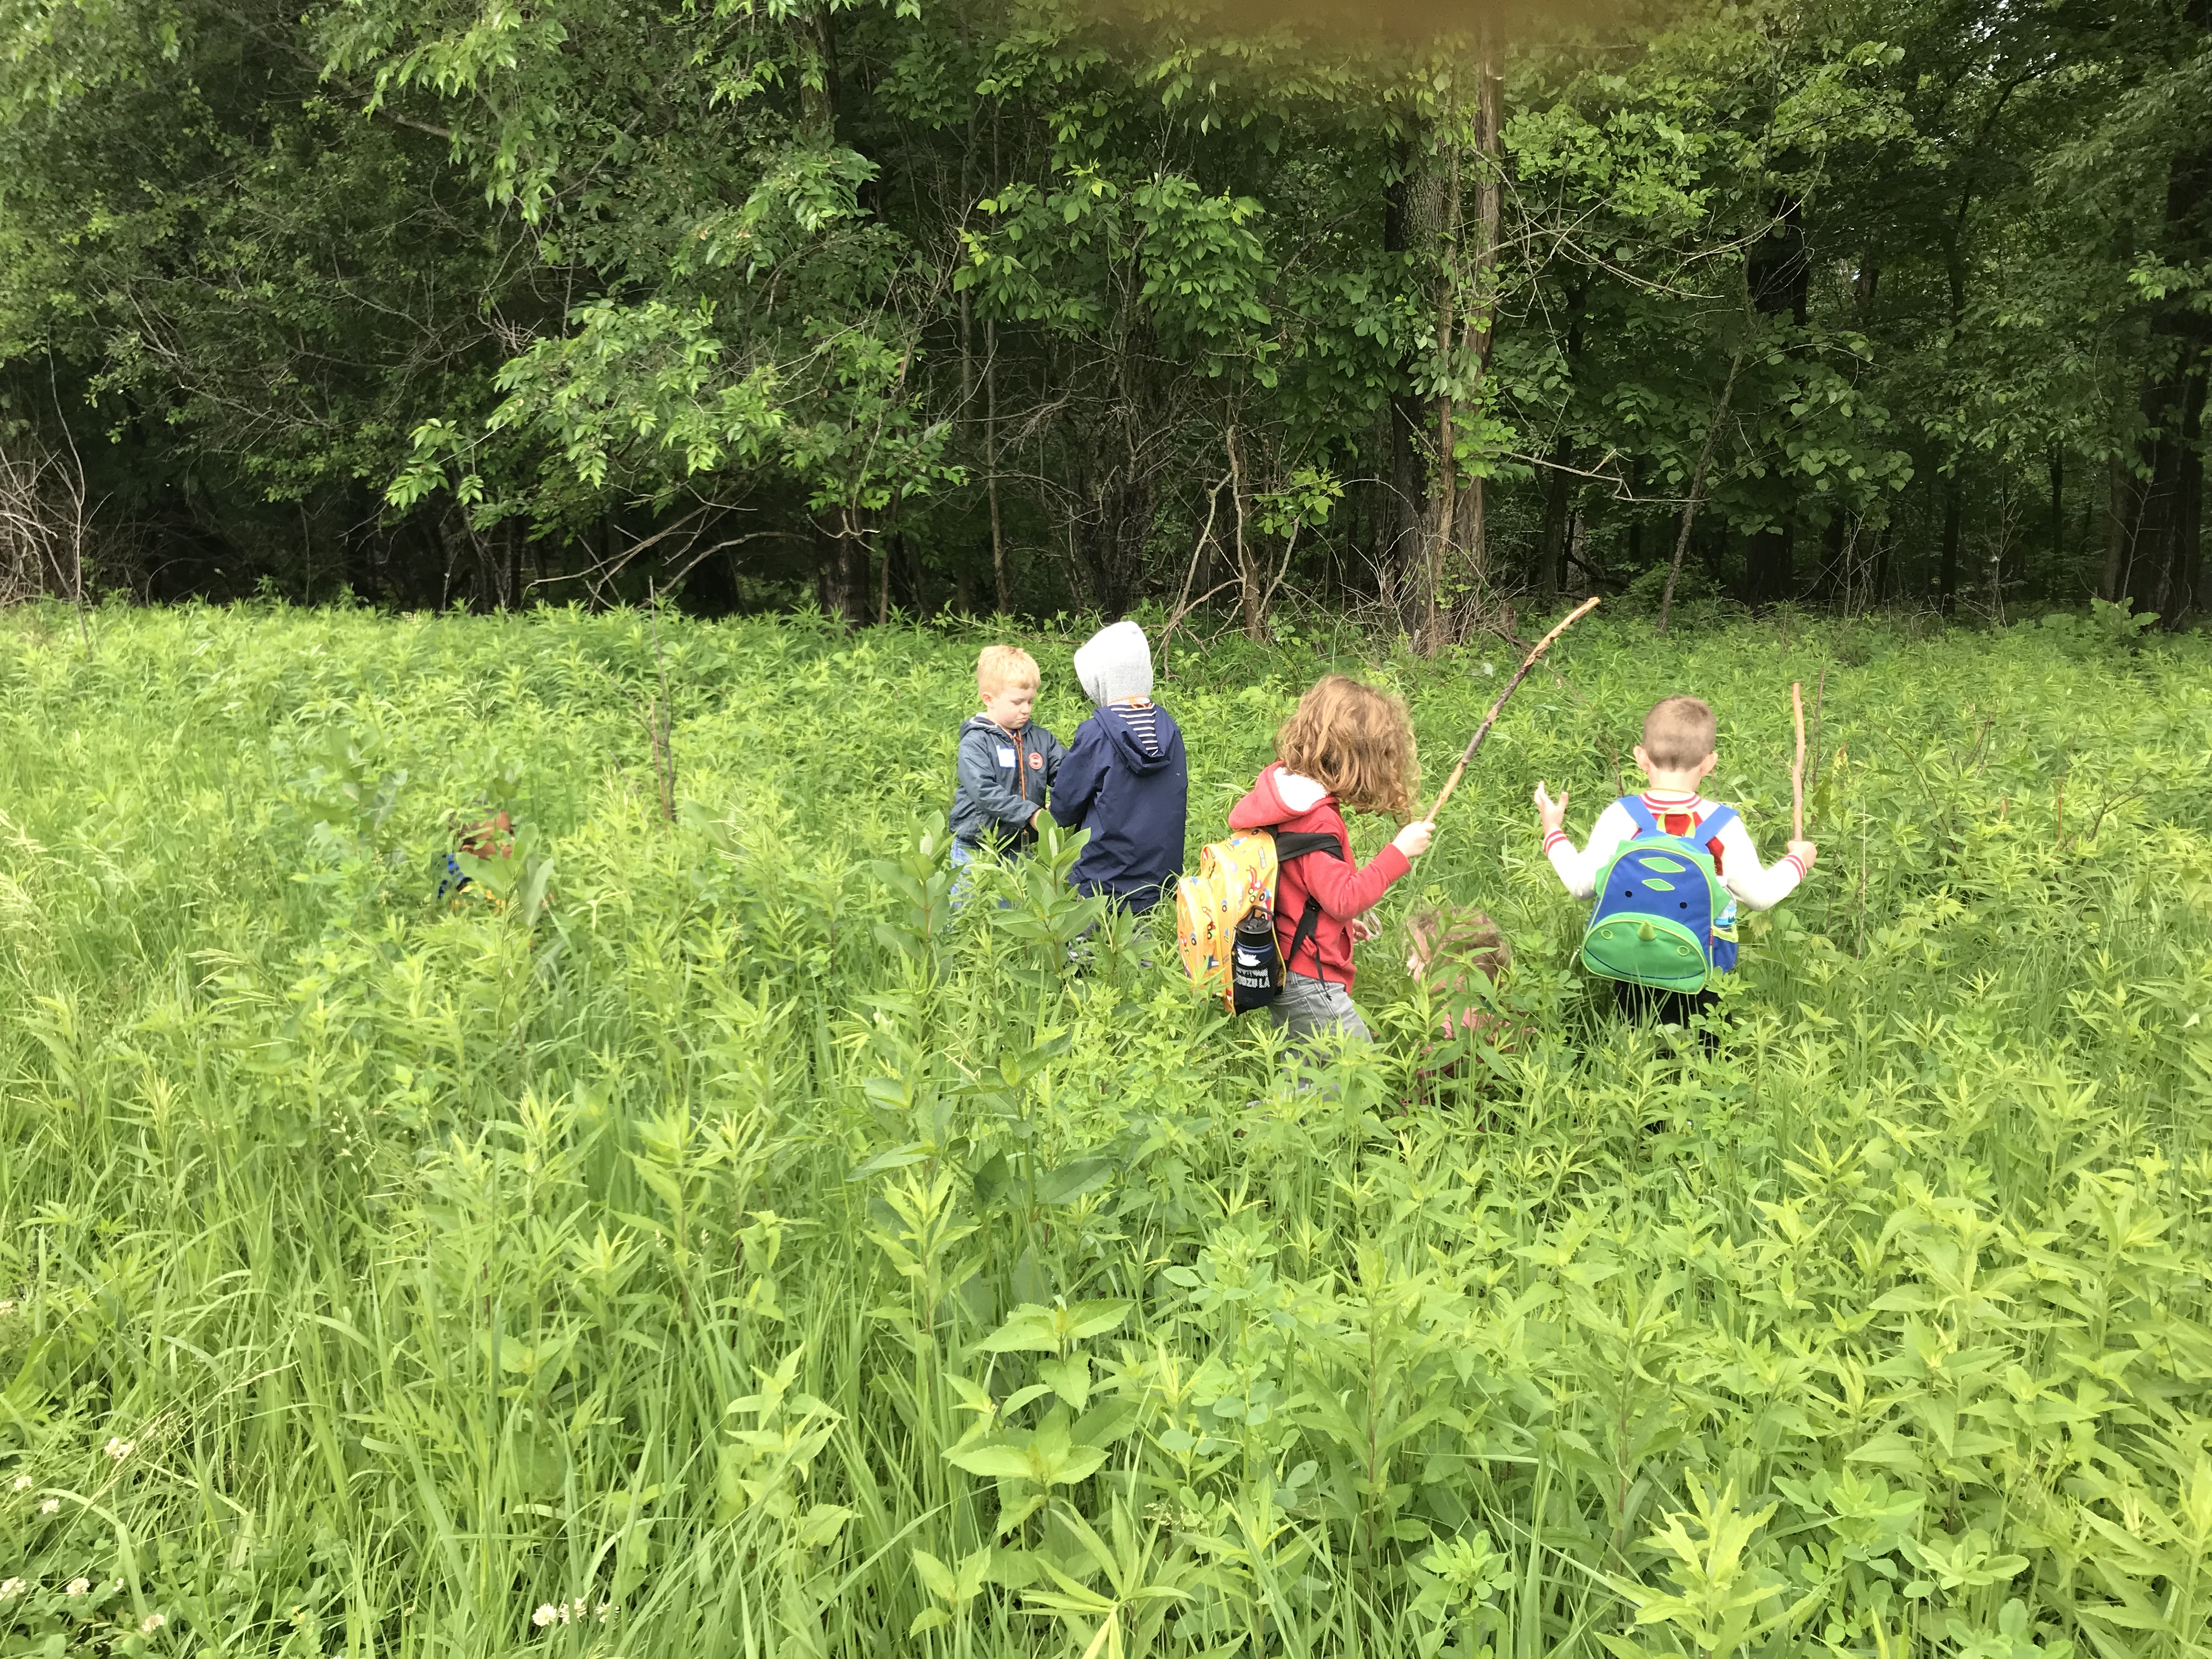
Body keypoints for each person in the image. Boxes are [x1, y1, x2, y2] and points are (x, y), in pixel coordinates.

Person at [1534, 692, 1816, 1030]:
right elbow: (1759, 897)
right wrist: (1797, 861)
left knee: (1634, 1044)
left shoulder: (1622, 816)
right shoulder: (1722, 824)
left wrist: (1553, 830)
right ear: (1710, 762)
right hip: (1703, 966)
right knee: (1704, 1052)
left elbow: (1582, 886)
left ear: (1640, 757)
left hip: (1631, 960)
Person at [1227, 674, 1435, 1050]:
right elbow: (1344, 898)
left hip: (1282, 958)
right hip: (1309, 976)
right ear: (1357, 758)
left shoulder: (1284, 796)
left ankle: (1273, 1110)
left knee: (1307, 1076)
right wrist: (1399, 853)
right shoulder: (1316, 817)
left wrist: (1333, 924)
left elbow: (1299, 883)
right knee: (1357, 1067)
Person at [1049, 619, 1188, 915]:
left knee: (1086, 955)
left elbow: (1065, 805)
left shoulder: (1095, 733)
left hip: (1101, 878)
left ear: (1100, 680)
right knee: (1143, 954)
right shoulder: (1170, 730)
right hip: (1157, 879)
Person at [950, 645, 1065, 889]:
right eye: (1017, 702)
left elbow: (1066, 776)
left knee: (1012, 911)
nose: (1026, 709)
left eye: (1030, 701)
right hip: (976, 846)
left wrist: (1065, 802)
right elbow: (984, 791)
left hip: (1017, 847)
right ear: (989, 700)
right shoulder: (976, 742)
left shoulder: (1042, 740)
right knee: (968, 912)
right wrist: (1031, 813)